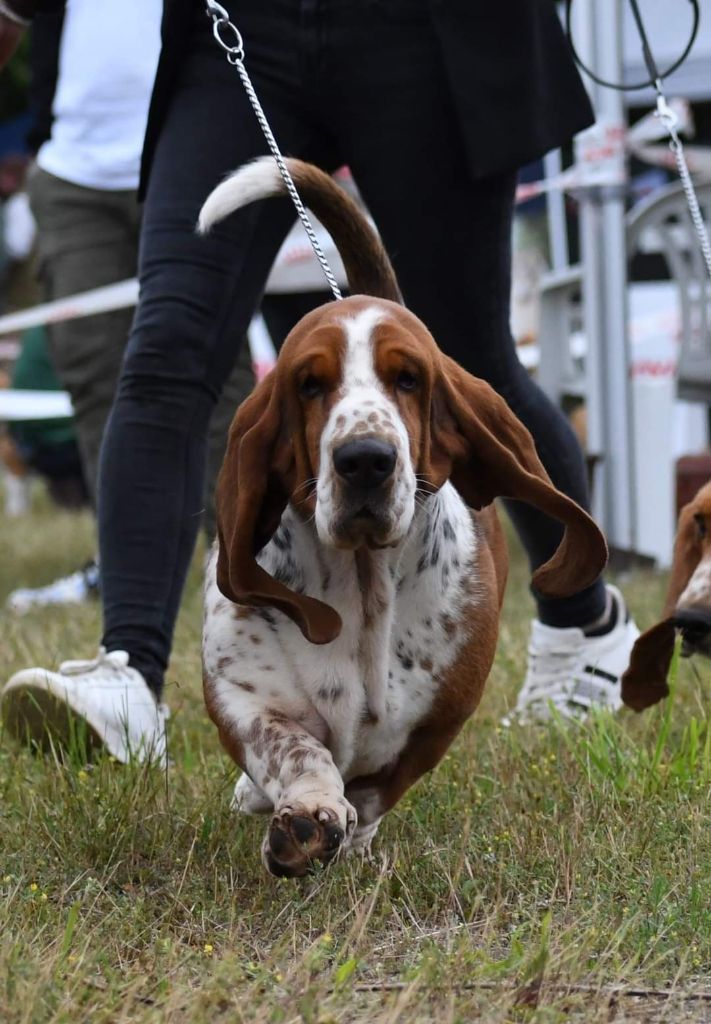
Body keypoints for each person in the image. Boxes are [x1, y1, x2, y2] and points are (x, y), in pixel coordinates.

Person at [0, 0, 639, 762]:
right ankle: (128, 673)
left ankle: (583, 625)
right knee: (165, 349)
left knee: (469, 361)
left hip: (428, 30)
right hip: (237, 27)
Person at [3, 0, 255, 612]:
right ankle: (124, 576)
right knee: (95, 379)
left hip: (191, 148)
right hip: (73, 170)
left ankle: (254, 567)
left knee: (216, 374)